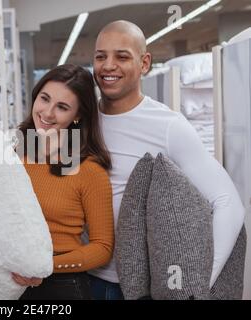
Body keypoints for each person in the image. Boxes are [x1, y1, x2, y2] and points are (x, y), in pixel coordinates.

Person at [88, 20, 245, 300]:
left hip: (135, 287)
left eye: (122, 56)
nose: (108, 66)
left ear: (144, 63)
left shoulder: (168, 125)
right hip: (81, 277)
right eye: (101, 56)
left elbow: (228, 203)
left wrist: (197, 285)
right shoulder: (81, 120)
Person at [0, 64, 115, 300]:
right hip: (6, 284)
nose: (48, 113)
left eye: (62, 107)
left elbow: (102, 247)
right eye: (45, 99)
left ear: (78, 116)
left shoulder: (89, 170)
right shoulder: (7, 154)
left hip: (60, 287)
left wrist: (45, 268)